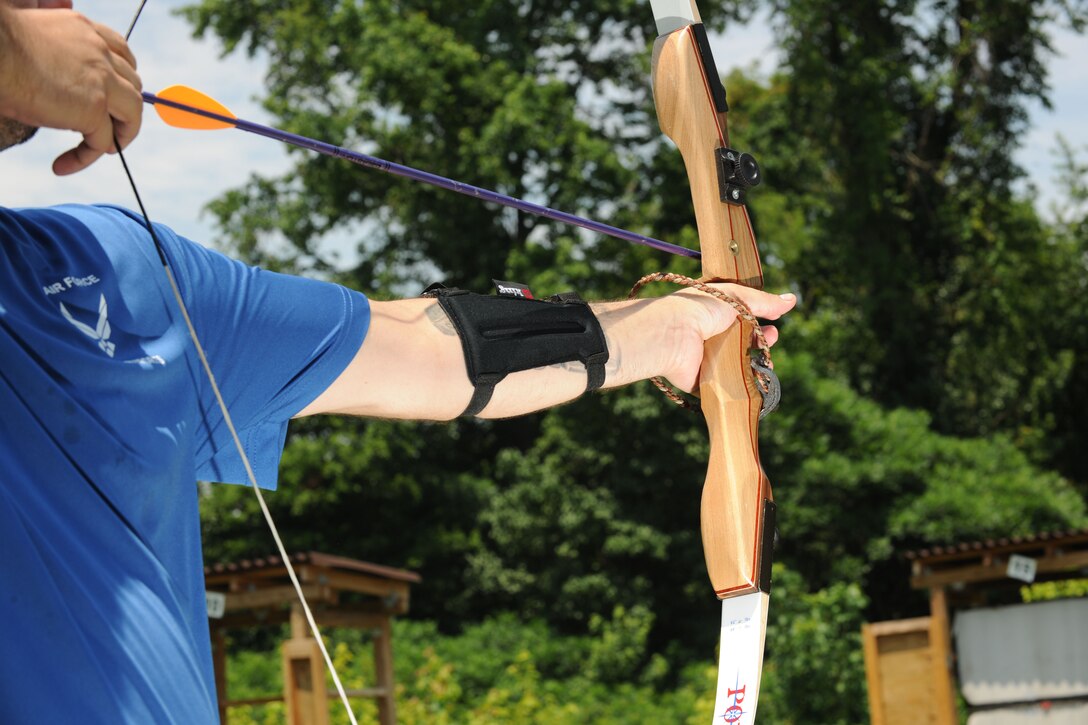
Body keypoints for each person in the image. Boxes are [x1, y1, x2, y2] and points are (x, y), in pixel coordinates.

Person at [0, 1, 796, 722]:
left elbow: (429, 350)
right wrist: (18, 57)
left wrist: (672, 329)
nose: (59, 10)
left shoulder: (111, 270)